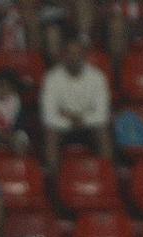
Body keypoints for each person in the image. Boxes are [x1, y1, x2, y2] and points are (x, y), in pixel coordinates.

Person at [39, 37, 111, 173]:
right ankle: (54, 181)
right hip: (62, 128)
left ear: (84, 55)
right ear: (63, 55)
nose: (74, 57)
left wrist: (76, 117)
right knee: (50, 135)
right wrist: (78, 118)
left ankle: (105, 176)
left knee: (103, 133)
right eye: (70, 53)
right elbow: (48, 117)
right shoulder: (51, 78)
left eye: (77, 54)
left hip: (89, 127)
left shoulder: (98, 77)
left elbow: (102, 116)